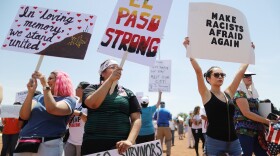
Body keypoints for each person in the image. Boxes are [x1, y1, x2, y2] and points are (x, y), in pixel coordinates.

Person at [183, 37, 253, 155]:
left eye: (222, 74)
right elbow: (199, 71)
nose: (220, 77)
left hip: (234, 141)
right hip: (214, 142)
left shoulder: (228, 93)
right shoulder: (206, 94)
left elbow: (240, 72)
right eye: (216, 74)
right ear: (208, 79)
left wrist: (249, 53)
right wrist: (188, 49)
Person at [81, 59, 142, 155]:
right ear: (102, 73)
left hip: (120, 145)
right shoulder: (91, 88)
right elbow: (93, 104)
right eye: (112, 67)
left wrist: (129, 141)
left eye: (118, 68)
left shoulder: (128, 93)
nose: (117, 69)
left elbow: (136, 119)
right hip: (93, 143)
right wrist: (110, 80)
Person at [14, 70, 76, 156]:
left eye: (51, 78)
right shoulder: (38, 97)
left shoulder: (69, 100)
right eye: (47, 79)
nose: (47, 80)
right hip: (25, 141)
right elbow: (24, 116)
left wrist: (44, 85)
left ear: (60, 81)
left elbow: (52, 109)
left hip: (48, 144)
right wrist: (31, 92)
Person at [233, 71, 274, 155]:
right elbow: (246, 113)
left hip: (257, 131)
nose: (249, 77)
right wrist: (267, 121)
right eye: (246, 76)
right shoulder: (239, 92)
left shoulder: (252, 93)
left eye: (250, 76)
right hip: (244, 131)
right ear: (239, 79)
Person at [64, 81, 90, 156]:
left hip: (82, 141)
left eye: (78, 87)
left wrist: (79, 113)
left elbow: (89, 120)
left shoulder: (88, 103)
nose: (75, 89)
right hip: (70, 140)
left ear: (85, 90)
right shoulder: (74, 102)